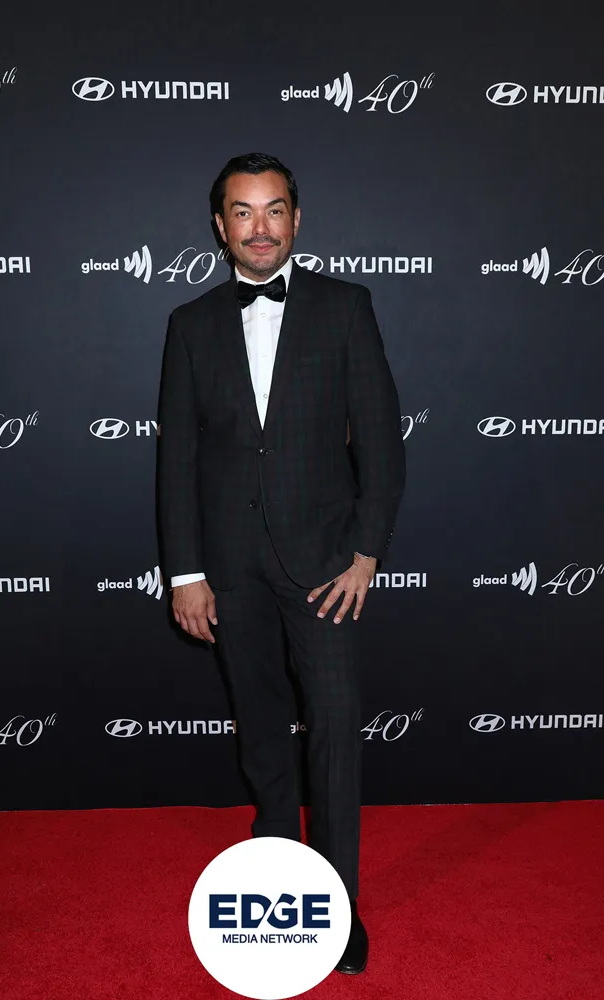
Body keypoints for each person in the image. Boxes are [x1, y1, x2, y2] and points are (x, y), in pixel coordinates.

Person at [157, 152, 405, 975]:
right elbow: (177, 459)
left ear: (296, 220)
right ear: (219, 225)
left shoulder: (344, 306)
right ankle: (276, 864)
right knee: (259, 726)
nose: (258, 228)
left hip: (325, 567)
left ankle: (336, 904)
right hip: (228, 567)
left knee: (333, 728)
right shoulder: (189, 324)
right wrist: (185, 572)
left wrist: (366, 554)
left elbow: (381, 441)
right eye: (242, 212)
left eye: (273, 211)